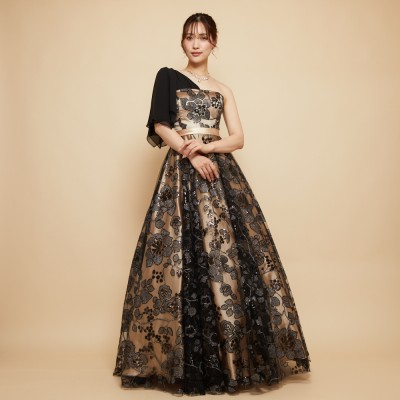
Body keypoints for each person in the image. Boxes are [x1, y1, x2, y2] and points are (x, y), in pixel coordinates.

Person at [113, 12, 311, 396]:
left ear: (213, 42)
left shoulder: (224, 90)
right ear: (182, 41)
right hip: (181, 171)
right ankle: (183, 360)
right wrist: (192, 155)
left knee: (227, 258)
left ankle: (231, 360)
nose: (195, 43)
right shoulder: (167, 76)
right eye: (189, 36)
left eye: (203, 37)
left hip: (219, 172)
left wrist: (208, 149)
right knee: (179, 256)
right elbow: (160, 125)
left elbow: (238, 138)